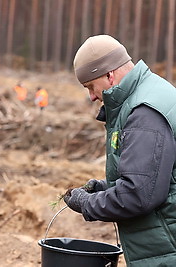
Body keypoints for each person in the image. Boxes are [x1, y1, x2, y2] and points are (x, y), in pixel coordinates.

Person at [63, 34, 176, 266]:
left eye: (91, 86)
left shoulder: (144, 112)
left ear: (109, 75)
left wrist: (87, 204)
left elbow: (138, 195)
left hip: (168, 247)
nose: (92, 96)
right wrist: (105, 188)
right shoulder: (152, 92)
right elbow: (156, 178)